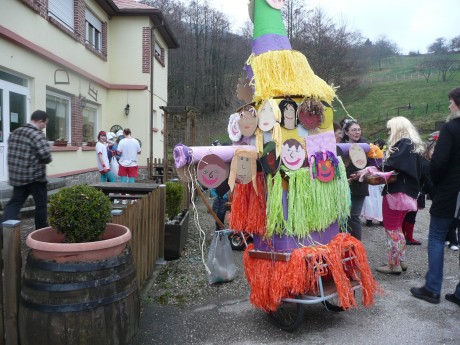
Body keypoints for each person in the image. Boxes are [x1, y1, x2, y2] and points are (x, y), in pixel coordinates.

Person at [411, 87, 460, 306]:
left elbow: (438, 163)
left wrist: (437, 185)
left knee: (437, 236)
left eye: (451, 102)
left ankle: (432, 288)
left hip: (451, 193)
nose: (449, 106)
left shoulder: (452, 128)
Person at [376, 116, 424, 275]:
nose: (389, 132)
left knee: (391, 229)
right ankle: (400, 261)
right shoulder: (413, 145)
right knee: (397, 228)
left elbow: (390, 165)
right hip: (408, 193)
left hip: (396, 192)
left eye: (391, 129)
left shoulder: (403, 143)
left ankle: (393, 264)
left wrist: (378, 162)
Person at [2, 110, 52, 229]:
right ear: (40, 121)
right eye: (45, 124)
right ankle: (41, 232)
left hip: (18, 177)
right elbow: (46, 156)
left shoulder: (15, 132)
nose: (44, 127)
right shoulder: (37, 134)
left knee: (14, 204)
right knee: (41, 205)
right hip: (35, 178)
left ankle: (3, 232)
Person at [402, 137, 435, 245]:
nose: (434, 153)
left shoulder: (416, 160)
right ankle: (409, 237)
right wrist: (435, 196)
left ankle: (403, 236)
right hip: (416, 191)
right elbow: (428, 182)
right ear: (427, 150)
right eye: (433, 150)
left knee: (406, 214)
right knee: (411, 215)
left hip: (407, 189)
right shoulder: (426, 164)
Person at [341, 118, 369, 240]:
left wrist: (358, 175)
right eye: (354, 130)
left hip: (359, 186)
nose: (357, 132)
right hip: (343, 186)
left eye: (358, 130)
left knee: (353, 216)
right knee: (343, 216)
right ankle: (344, 243)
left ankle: (357, 245)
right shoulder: (341, 145)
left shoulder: (365, 146)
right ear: (346, 132)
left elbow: (372, 166)